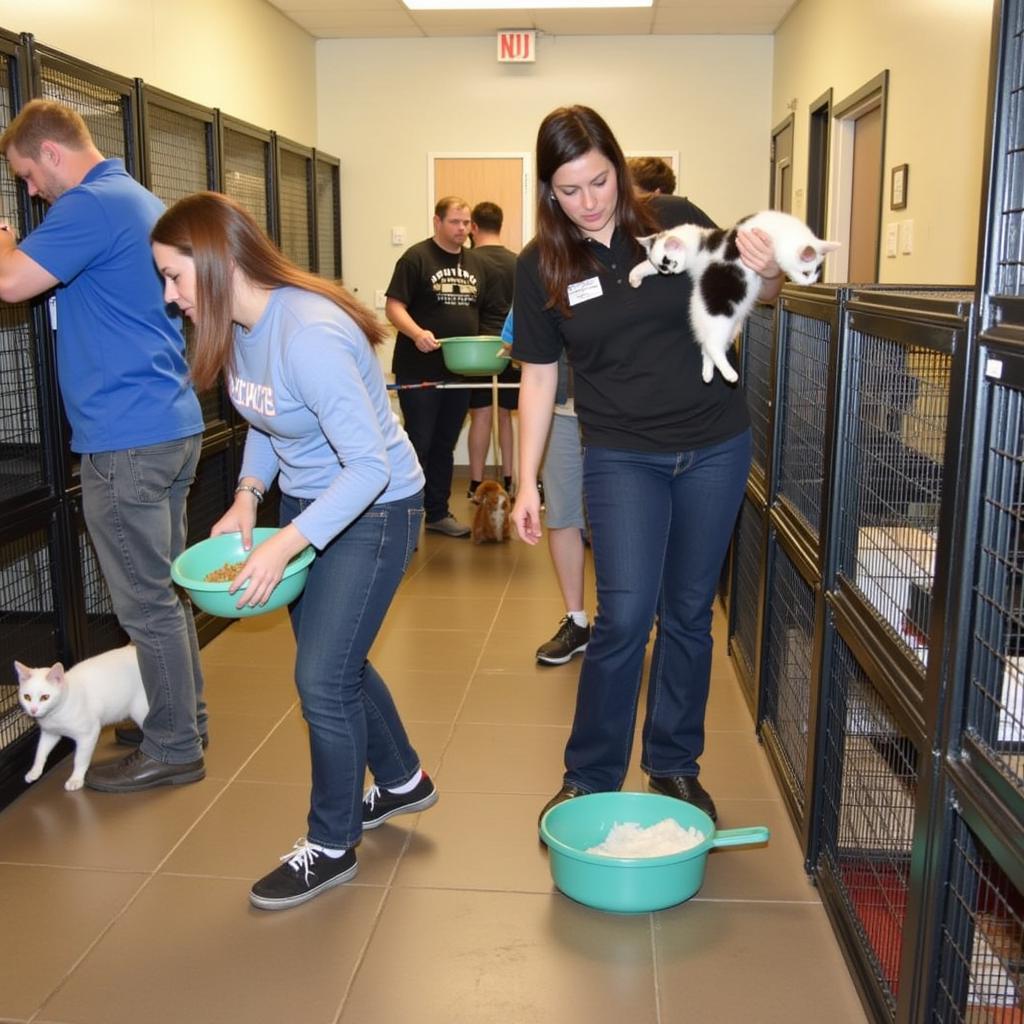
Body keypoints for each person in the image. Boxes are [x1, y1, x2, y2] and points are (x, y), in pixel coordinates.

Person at [151, 191, 437, 911]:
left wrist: (284, 542)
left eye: (175, 277)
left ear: (215, 267)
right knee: (334, 665)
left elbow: (368, 467)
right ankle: (402, 780)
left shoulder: (308, 332)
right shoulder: (246, 325)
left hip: (376, 509)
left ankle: (332, 844)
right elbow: (266, 416)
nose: (170, 296)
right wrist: (249, 496)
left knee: (321, 680)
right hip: (311, 505)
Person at [511, 106, 784, 824]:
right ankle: (591, 774)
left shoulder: (672, 218)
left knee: (689, 613)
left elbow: (755, 292)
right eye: (569, 190)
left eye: (599, 181)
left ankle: (672, 764)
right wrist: (524, 483)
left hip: (714, 447)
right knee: (625, 615)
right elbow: (537, 378)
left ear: (618, 167)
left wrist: (769, 268)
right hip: (622, 454)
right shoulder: (542, 264)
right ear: (549, 193)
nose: (590, 201)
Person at [0, 99, 207, 792]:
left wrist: (3, 239)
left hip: (126, 439)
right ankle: (183, 719)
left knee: (145, 603)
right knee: (166, 595)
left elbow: (9, 283)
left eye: (28, 175)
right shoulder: (138, 196)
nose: (31, 191)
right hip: (168, 424)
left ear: (52, 154)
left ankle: (174, 745)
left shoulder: (89, 205)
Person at [385, 196, 503, 537]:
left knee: (445, 444)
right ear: (437, 222)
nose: (462, 229)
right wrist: (416, 332)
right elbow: (395, 307)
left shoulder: (477, 264)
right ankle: (406, 518)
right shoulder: (416, 258)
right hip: (419, 369)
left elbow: (486, 313)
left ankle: (437, 514)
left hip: (460, 372)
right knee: (419, 443)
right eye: (455, 222)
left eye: (467, 223)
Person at [466, 201, 519, 498]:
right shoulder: (518, 261)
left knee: (481, 415)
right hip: (512, 348)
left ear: (473, 227)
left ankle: (475, 484)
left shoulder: (469, 262)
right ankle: (510, 481)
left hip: (480, 351)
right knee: (506, 415)